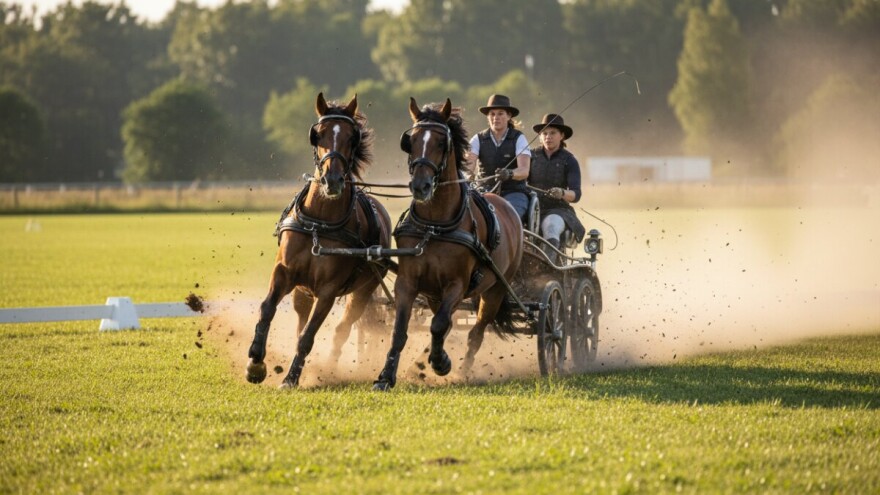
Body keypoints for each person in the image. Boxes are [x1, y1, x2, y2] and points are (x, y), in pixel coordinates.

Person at [527, 114, 586, 261]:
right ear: (540, 137)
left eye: (552, 133)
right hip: (531, 207)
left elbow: (576, 194)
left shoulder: (570, 160)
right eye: (544, 133)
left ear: (562, 136)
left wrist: (562, 193)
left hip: (559, 210)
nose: (548, 137)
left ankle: (548, 268)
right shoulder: (530, 156)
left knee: (551, 225)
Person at [465, 94, 531, 220]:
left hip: (514, 193)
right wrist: (468, 176)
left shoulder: (519, 138)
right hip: (484, 191)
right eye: (492, 114)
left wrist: (509, 173)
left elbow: (524, 170)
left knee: (505, 218)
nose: (496, 118)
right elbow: (469, 166)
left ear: (509, 116)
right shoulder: (477, 139)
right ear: (488, 117)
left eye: (500, 113)